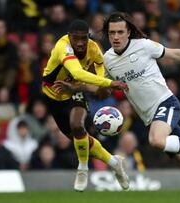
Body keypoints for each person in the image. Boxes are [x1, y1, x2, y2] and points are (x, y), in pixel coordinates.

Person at [60, 12, 180, 202]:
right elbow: (102, 86)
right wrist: (76, 86)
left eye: (120, 32)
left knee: (156, 141)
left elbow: (176, 54)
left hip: (166, 104)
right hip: (151, 118)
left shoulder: (144, 46)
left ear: (128, 32)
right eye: (112, 33)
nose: (116, 37)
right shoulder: (109, 60)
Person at [41, 19, 129, 192]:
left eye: (84, 38)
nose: (80, 43)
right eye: (76, 39)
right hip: (54, 96)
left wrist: (102, 85)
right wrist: (108, 83)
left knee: (77, 125)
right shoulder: (62, 47)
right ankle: (114, 162)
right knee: (81, 141)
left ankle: (82, 169)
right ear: (69, 37)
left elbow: (99, 64)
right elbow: (77, 72)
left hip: (75, 92)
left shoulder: (94, 48)